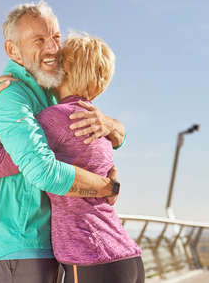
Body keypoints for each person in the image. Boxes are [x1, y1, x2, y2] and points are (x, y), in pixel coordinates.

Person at [0, 1, 125, 283]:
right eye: (39, 40)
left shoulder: (53, 93)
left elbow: (107, 139)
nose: (53, 48)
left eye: (56, 37)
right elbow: (38, 169)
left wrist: (111, 125)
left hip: (58, 244)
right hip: (23, 244)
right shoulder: (9, 94)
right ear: (13, 51)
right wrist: (107, 186)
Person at [36, 32, 144, 283]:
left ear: (64, 69)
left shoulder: (52, 119)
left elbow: (17, 161)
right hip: (128, 258)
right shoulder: (100, 125)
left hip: (90, 257)